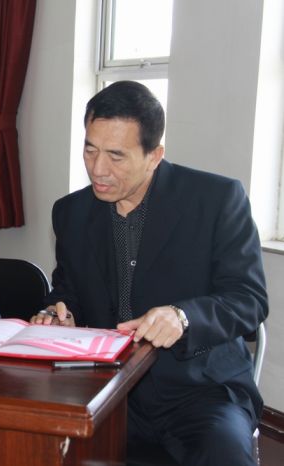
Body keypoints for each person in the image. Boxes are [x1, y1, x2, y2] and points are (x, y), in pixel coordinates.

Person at [31, 81, 267, 466]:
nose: (98, 169)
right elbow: (69, 289)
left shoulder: (215, 200)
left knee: (224, 454)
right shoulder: (71, 212)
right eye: (90, 150)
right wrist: (60, 312)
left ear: (154, 155)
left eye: (116, 156)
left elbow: (248, 300)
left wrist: (183, 317)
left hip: (200, 391)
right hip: (109, 390)